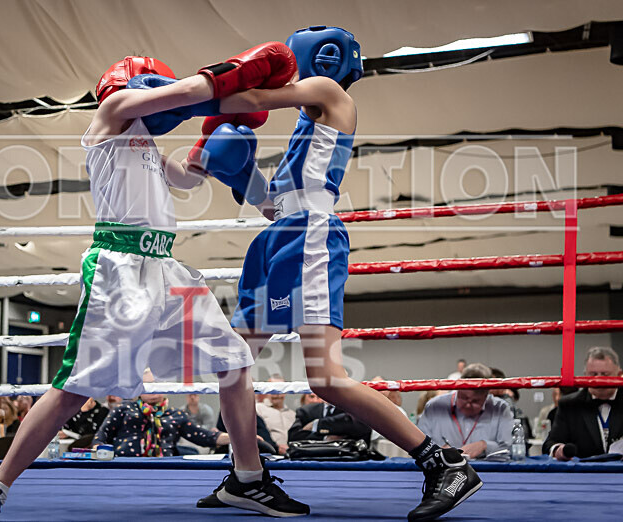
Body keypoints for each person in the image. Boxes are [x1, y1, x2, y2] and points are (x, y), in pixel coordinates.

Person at [0, 46, 308, 520]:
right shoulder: (110, 116)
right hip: (121, 268)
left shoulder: (149, 145)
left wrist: (218, 148)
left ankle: (248, 480)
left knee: (234, 362)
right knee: (75, 388)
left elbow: (190, 179)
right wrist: (261, 88)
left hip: (166, 268)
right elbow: (195, 92)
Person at [196, 26, 481, 520]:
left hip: (310, 239)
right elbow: (272, 206)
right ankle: (247, 478)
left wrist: (166, 100)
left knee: (325, 377)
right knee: (233, 361)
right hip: (278, 237)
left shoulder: (329, 95)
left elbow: (248, 96)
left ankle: (443, 464)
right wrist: (241, 173)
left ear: (317, 58)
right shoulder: (302, 131)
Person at [93, 371, 229, 456]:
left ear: (166, 388)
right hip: (124, 465)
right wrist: (99, 451)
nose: (154, 390)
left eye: (158, 385)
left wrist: (241, 437)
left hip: (164, 467)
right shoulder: (123, 409)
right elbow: (101, 436)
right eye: (149, 386)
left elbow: (206, 436)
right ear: (139, 388)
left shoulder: (176, 415)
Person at [417, 363, 514, 459]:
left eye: (476, 401)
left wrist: (485, 446)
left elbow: (510, 449)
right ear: (458, 389)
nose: (468, 404)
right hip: (441, 469)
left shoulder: (500, 408)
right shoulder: (435, 406)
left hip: (486, 471)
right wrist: (436, 451)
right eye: (463, 397)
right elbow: (417, 444)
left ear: (486, 396)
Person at [544, 347, 623, 459]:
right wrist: (560, 450)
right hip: (583, 473)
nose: (598, 379)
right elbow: (550, 444)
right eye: (593, 374)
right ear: (585, 375)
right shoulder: (570, 404)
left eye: (605, 374)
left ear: (619, 374)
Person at [288, 400, 371, 444]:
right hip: (313, 460)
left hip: (347, 460)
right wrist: (325, 439)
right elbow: (294, 437)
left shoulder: (355, 411)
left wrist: (317, 425)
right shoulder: (307, 411)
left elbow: (360, 427)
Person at [255, 374, 296, 454]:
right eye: (273, 389)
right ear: (266, 390)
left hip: (292, 455)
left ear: (286, 391)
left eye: (280, 389)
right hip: (269, 454)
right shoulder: (257, 409)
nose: (277, 393)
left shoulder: (293, 414)